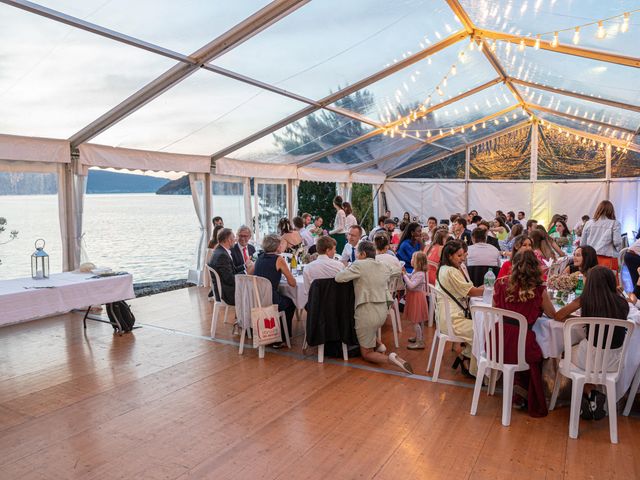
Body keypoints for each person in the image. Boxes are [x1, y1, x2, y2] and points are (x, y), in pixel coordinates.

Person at [556, 267, 633, 420]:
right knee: (585, 353)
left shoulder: (586, 300)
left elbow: (559, 316)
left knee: (566, 352)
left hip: (589, 358)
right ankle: (590, 395)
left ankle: (587, 392)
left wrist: (577, 319)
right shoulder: (622, 303)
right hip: (614, 362)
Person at [493, 250, 557, 417]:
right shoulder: (538, 290)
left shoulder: (500, 283)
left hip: (497, 342)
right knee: (537, 352)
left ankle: (518, 393)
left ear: (514, 266)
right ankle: (527, 395)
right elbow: (553, 314)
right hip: (521, 344)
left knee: (528, 347)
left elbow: (494, 309)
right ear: (536, 268)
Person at [335, 241, 413, 374]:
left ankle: (389, 358)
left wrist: (350, 268)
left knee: (366, 353)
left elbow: (339, 278)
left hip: (366, 311)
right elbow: (397, 269)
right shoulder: (383, 265)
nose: (356, 256)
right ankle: (380, 345)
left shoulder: (358, 265)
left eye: (357, 253)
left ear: (363, 254)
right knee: (367, 328)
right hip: (383, 311)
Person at [436, 241, 484, 376]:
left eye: (464, 255)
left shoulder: (443, 268)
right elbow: (471, 292)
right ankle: (473, 367)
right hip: (453, 320)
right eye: (459, 255)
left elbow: (470, 290)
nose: (463, 258)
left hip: (445, 317)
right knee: (483, 332)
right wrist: (492, 287)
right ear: (450, 256)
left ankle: (465, 357)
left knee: (481, 328)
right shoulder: (452, 271)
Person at [254, 234, 296, 348]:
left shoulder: (259, 257)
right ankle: (281, 337)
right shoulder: (278, 259)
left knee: (282, 297)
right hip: (271, 299)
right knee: (290, 303)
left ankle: (275, 334)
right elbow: (292, 283)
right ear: (277, 246)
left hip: (257, 298)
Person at [581, 200, 623, 272]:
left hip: (591, 258)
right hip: (608, 259)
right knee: (609, 281)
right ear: (611, 211)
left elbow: (583, 244)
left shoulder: (588, 223)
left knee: (591, 281)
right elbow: (617, 242)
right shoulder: (615, 223)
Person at [403, 251, 429, 350]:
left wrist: (404, 276)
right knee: (418, 320)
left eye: (413, 259)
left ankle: (420, 342)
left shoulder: (421, 274)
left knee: (416, 321)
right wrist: (407, 274)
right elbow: (412, 278)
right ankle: (419, 337)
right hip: (414, 297)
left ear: (419, 262)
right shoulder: (416, 271)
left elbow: (412, 286)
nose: (411, 260)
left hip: (417, 298)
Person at [208, 228, 240, 306]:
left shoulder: (219, 251)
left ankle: (242, 316)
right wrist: (246, 275)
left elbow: (232, 271)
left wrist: (245, 266)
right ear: (229, 240)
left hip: (222, 290)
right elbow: (230, 279)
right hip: (226, 294)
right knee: (254, 291)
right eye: (233, 237)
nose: (235, 240)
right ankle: (244, 317)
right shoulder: (222, 255)